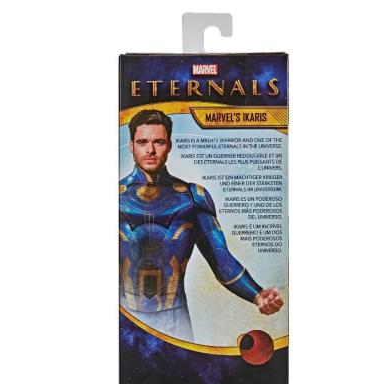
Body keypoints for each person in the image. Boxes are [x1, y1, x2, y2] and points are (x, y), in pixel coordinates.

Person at [119, 109, 283, 341]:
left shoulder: (192, 198)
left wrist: (257, 295)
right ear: (131, 146)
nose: (151, 150)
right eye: (142, 142)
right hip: (122, 323)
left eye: (159, 142)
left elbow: (222, 260)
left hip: (176, 323)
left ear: (169, 146)